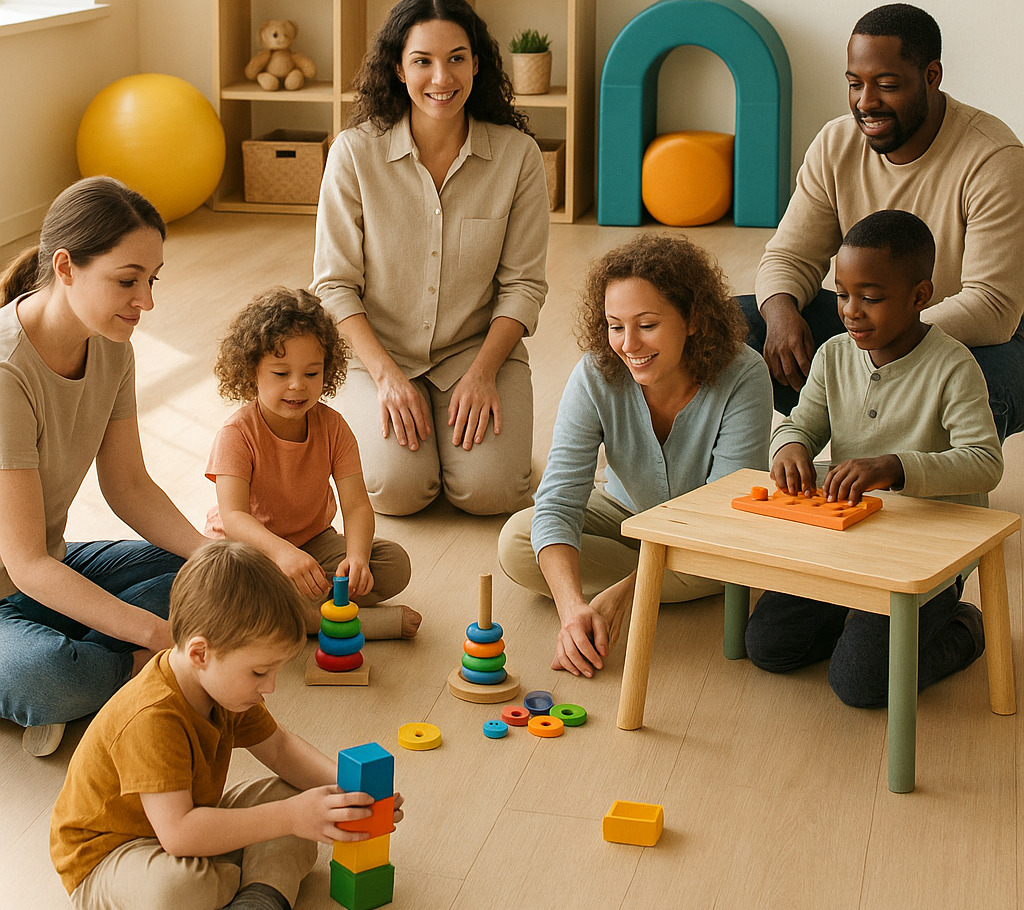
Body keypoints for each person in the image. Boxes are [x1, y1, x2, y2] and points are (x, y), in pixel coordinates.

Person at [49, 539, 405, 910]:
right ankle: (248, 876)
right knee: (178, 888)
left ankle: (258, 898)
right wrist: (287, 820)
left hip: (185, 825)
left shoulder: (224, 689)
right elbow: (179, 835)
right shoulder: (152, 716)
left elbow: (280, 748)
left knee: (297, 797)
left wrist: (351, 794)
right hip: (112, 858)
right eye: (259, 672)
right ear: (200, 654)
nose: (269, 687)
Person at [745, 210, 1003, 707]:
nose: (851, 311)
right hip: (851, 540)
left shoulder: (954, 366)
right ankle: (861, 625)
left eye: (871, 297)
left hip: (927, 551)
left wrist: (895, 466)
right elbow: (801, 424)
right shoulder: (834, 355)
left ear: (920, 296)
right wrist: (791, 447)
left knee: (860, 685)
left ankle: (963, 626)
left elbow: (985, 461)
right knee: (769, 647)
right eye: (842, 294)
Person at [739, 3, 1024, 440]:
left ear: (932, 76)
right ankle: (741, 468)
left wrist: (874, 351)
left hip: (981, 343)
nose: (866, 103)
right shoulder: (836, 142)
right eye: (855, 84)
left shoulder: (994, 159)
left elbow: (993, 308)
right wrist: (779, 315)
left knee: (972, 392)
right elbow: (789, 256)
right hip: (866, 326)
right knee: (728, 326)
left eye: (886, 85)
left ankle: (906, 479)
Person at [312, 0, 549, 516]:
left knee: (492, 494)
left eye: (457, 58)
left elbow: (524, 286)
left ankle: (475, 454)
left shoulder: (518, 156)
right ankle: (425, 451)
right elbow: (334, 284)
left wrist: (484, 372)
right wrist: (385, 376)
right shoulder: (353, 153)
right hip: (379, 354)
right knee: (396, 492)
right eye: (422, 61)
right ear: (398, 68)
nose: (441, 77)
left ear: (477, 63)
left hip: (476, 350)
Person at [498, 234, 773, 677]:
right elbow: (558, 499)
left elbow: (726, 516)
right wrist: (571, 610)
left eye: (647, 325)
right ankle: (644, 587)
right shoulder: (596, 372)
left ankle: (641, 586)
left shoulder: (745, 375)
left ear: (694, 320)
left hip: (709, 538)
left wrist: (628, 590)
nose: (628, 344)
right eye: (614, 325)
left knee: (729, 560)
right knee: (517, 540)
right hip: (626, 513)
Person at [0, 176, 207, 757]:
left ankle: (98, 660)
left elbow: (129, 486)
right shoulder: (5, 372)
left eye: (150, 279)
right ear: (65, 267)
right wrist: (155, 636)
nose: (146, 301)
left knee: (196, 572)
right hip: (24, 574)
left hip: (49, 568)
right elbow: (23, 562)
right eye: (127, 281)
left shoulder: (113, 345)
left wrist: (214, 554)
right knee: (43, 675)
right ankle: (119, 666)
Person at [206, 288, 419, 640]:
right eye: (280, 373)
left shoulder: (333, 426)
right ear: (251, 372)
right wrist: (283, 554)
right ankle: (342, 622)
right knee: (231, 590)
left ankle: (295, 615)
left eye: (311, 373)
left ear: (327, 371)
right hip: (250, 552)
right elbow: (234, 518)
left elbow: (356, 505)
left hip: (314, 543)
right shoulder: (236, 434)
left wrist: (357, 558)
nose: (297, 386)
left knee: (394, 564)